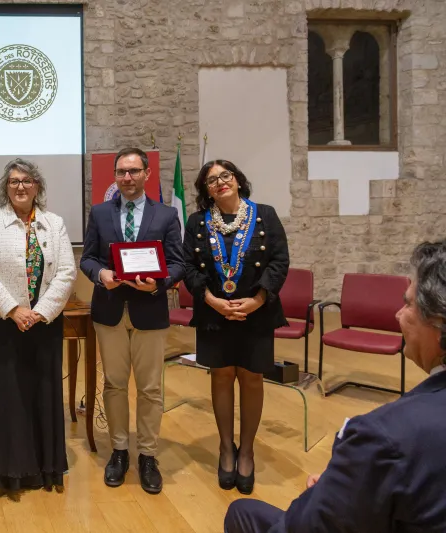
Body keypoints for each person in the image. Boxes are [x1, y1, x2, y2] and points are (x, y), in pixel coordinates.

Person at [225, 239, 446, 533]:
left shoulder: (383, 437)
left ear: (438, 322)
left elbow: (302, 526)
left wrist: (331, 491)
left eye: (408, 304)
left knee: (240, 513)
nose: (398, 314)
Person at [0, 158, 77, 497]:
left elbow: (66, 272)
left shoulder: (54, 223)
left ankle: (42, 465)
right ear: (6, 188)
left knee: (40, 391)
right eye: (14, 181)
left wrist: (39, 312)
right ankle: (1, 468)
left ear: (37, 186)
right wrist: (13, 309)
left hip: (43, 323)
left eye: (27, 181)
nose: (20, 186)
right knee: (5, 394)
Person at [79, 147, 185, 494]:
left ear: (147, 174)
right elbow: (88, 258)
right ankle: (120, 450)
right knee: (114, 384)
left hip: (149, 311)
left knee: (150, 388)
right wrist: (101, 275)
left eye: (134, 171)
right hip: (109, 310)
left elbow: (178, 263)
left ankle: (148, 455)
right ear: (114, 176)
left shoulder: (166, 215)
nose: (127, 177)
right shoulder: (99, 213)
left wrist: (160, 282)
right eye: (122, 172)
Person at [182, 160, 289, 494]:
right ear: (206, 190)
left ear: (238, 180)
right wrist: (211, 300)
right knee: (222, 376)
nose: (220, 182)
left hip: (256, 312)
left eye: (225, 176)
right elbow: (188, 267)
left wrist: (258, 299)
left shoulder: (265, 215)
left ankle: (247, 451)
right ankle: (226, 448)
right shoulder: (198, 222)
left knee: (252, 378)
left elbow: (279, 261)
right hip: (215, 312)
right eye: (211, 180)